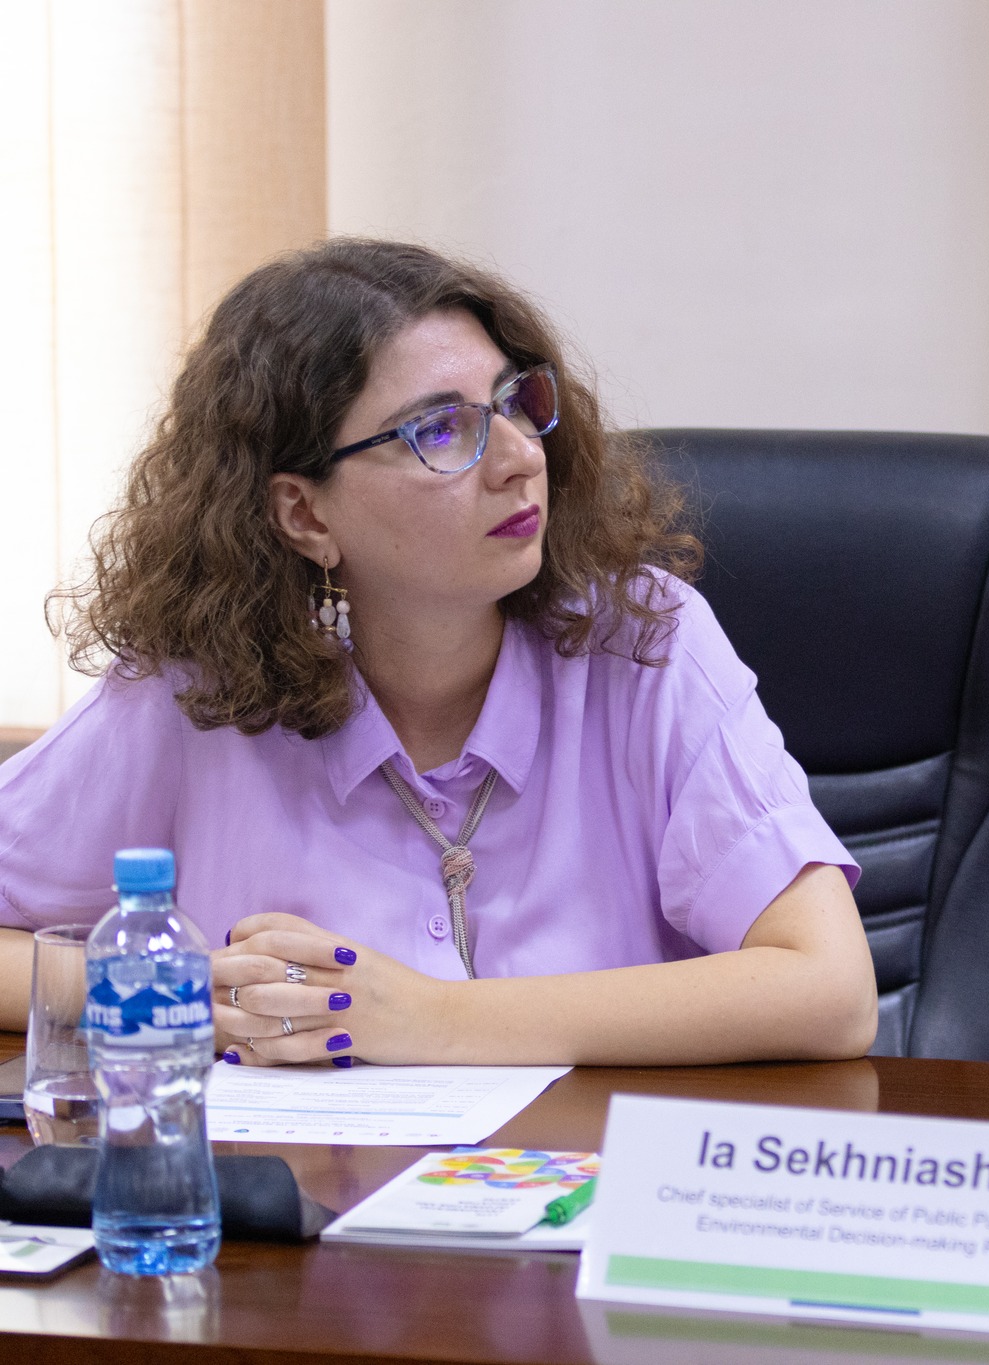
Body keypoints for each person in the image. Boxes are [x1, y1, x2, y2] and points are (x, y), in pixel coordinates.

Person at [0, 239, 877, 1067]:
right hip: (305, 1178)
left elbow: (831, 990)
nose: (520, 456)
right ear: (305, 514)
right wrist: (175, 991)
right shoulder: (197, 691)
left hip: (584, 1170)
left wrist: (428, 1017)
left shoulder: (641, 640)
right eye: (440, 430)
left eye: (514, 402)